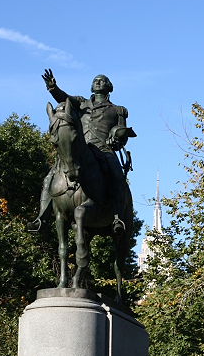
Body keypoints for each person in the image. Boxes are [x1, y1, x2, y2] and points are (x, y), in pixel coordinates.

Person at [27, 69, 136, 235]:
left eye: (102, 80)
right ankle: (42, 217)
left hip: (104, 149)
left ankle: (117, 216)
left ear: (109, 86)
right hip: (81, 148)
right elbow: (64, 98)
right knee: (50, 175)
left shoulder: (118, 110)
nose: (98, 82)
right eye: (95, 80)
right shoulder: (81, 103)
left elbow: (122, 133)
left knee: (117, 175)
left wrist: (117, 139)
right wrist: (53, 88)